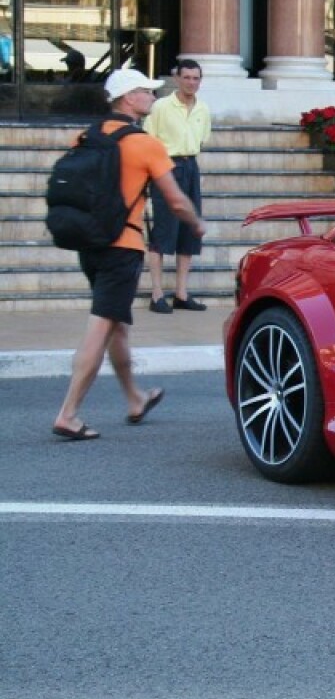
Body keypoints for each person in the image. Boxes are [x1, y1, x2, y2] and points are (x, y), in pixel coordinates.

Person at [51, 68, 207, 441]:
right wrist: (196, 224)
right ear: (128, 99)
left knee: (116, 324)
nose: (152, 97)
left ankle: (134, 398)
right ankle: (68, 412)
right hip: (123, 247)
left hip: (89, 245)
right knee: (102, 324)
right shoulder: (145, 143)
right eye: (146, 92)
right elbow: (174, 199)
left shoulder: (85, 136)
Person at [143, 59, 211, 313]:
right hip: (165, 166)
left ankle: (181, 293)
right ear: (177, 79)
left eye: (196, 78)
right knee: (162, 229)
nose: (191, 83)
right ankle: (157, 293)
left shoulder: (203, 108)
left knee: (190, 230)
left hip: (190, 165)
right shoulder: (160, 107)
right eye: (187, 78)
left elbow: (202, 139)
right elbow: (149, 139)